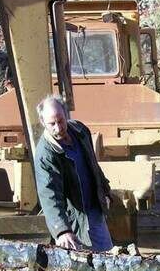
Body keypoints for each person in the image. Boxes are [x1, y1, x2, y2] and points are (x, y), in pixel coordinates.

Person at [34, 94, 113, 252]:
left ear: (66, 114)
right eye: (52, 124)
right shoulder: (45, 155)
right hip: (75, 218)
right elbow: (49, 195)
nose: (58, 127)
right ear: (43, 122)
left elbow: (92, 164)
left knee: (107, 257)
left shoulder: (80, 131)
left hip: (94, 210)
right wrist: (62, 230)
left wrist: (105, 189)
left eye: (61, 121)